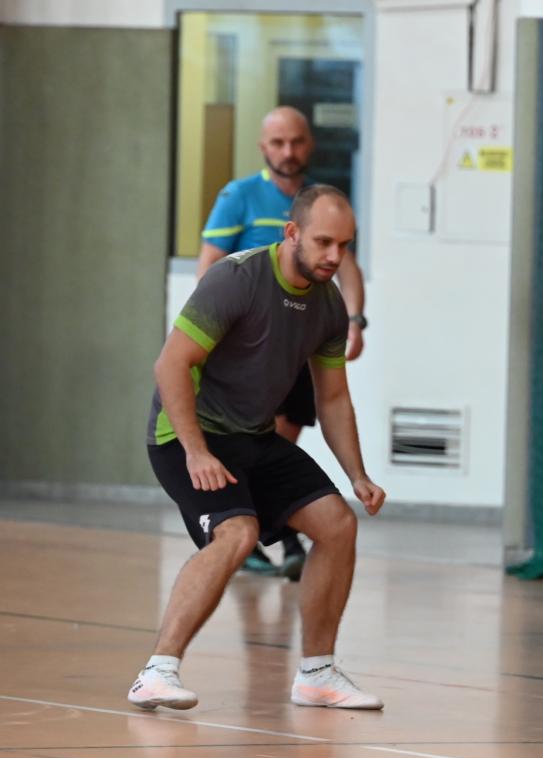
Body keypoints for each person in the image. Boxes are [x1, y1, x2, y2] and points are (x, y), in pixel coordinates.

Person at [129, 186, 386, 711]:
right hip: (186, 434)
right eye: (323, 242)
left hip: (253, 436)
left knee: (338, 525)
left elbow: (333, 397)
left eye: (344, 245)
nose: (334, 256)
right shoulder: (237, 280)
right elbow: (171, 364)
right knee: (237, 533)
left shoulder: (329, 306)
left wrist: (356, 474)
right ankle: (156, 672)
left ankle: (317, 675)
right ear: (291, 233)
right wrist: (196, 451)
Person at [198, 106, 368, 580]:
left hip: (299, 340)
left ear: (309, 144)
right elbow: (209, 266)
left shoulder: (321, 203)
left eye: (296, 141)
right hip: (252, 343)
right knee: (255, 435)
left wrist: (355, 320)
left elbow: (347, 267)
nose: (287, 151)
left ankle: (277, 528)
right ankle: (265, 533)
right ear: (263, 147)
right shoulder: (239, 196)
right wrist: (215, 332)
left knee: (283, 434)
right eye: (278, 143)